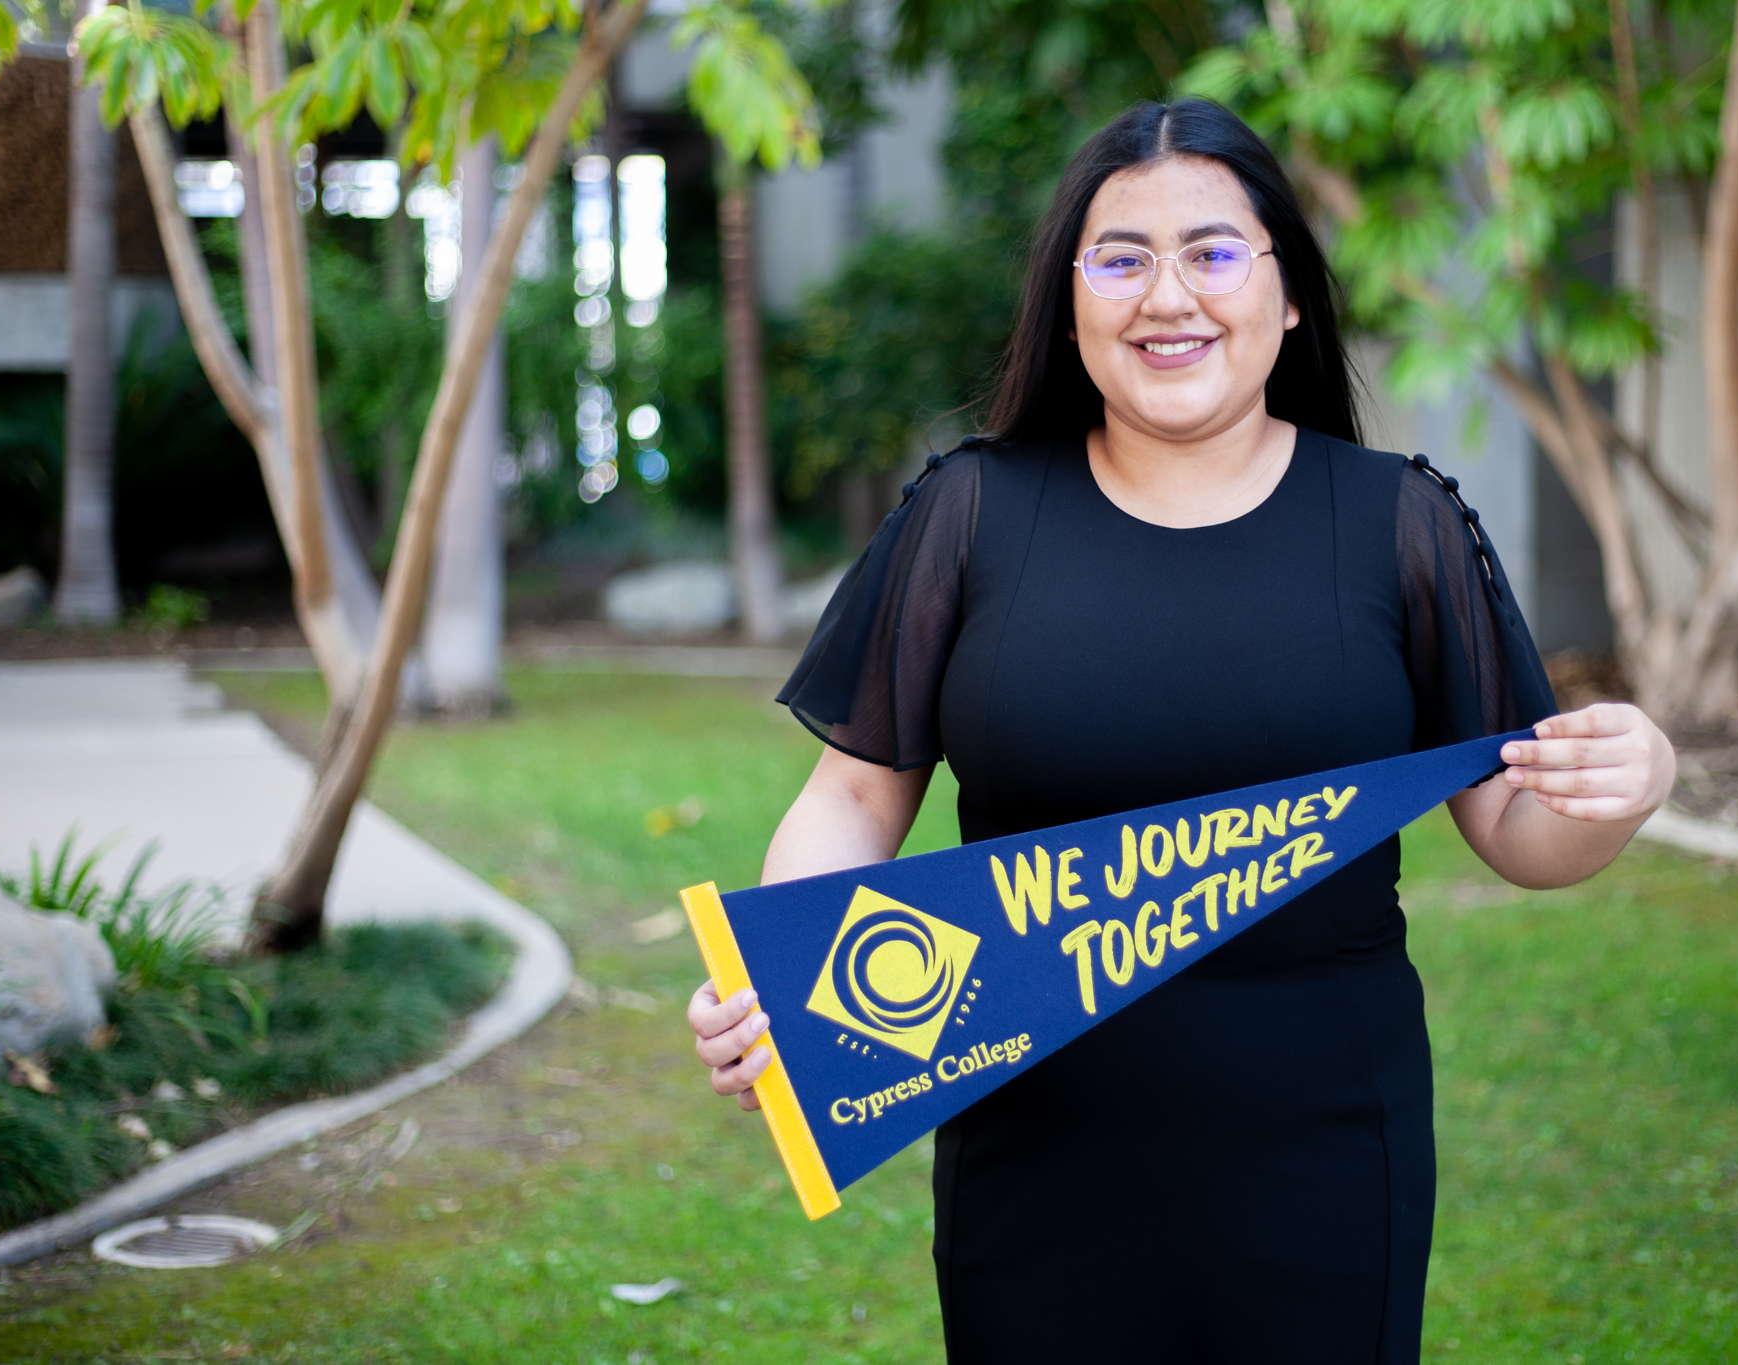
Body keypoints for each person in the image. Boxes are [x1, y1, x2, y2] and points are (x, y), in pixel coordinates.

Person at [687, 97, 1675, 1363]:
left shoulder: (1397, 525)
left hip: (1325, 1140)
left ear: (1289, 295)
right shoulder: (972, 512)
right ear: (1069, 300)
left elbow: (1520, 832)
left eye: (1212, 252)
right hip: (1031, 1139)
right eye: (1121, 257)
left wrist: (1626, 784)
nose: (1168, 296)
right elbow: (854, 795)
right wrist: (793, 969)